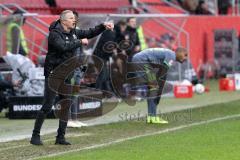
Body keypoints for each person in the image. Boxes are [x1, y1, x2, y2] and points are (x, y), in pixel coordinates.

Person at [30, 10, 114, 145]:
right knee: (47, 105)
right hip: (54, 74)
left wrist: (103, 26)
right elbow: (62, 47)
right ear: (63, 21)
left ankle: (60, 137)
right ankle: (35, 136)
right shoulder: (54, 34)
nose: (74, 20)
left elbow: (90, 32)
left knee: (66, 104)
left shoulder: (73, 31)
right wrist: (79, 42)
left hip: (67, 73)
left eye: (73, 18)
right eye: (70, 18)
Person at [131, 47, 188, 124]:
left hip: (139, 59)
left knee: (153, 89)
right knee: (154, 88)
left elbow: (162, 73)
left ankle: (151, 117)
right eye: (185, 55)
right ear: (179, 52)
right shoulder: (171, 56)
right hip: (142, 60)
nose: (186, 58)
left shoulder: (169, 54)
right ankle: (153, 117)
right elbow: (163, 72)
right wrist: (158, 90)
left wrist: (159, 89)